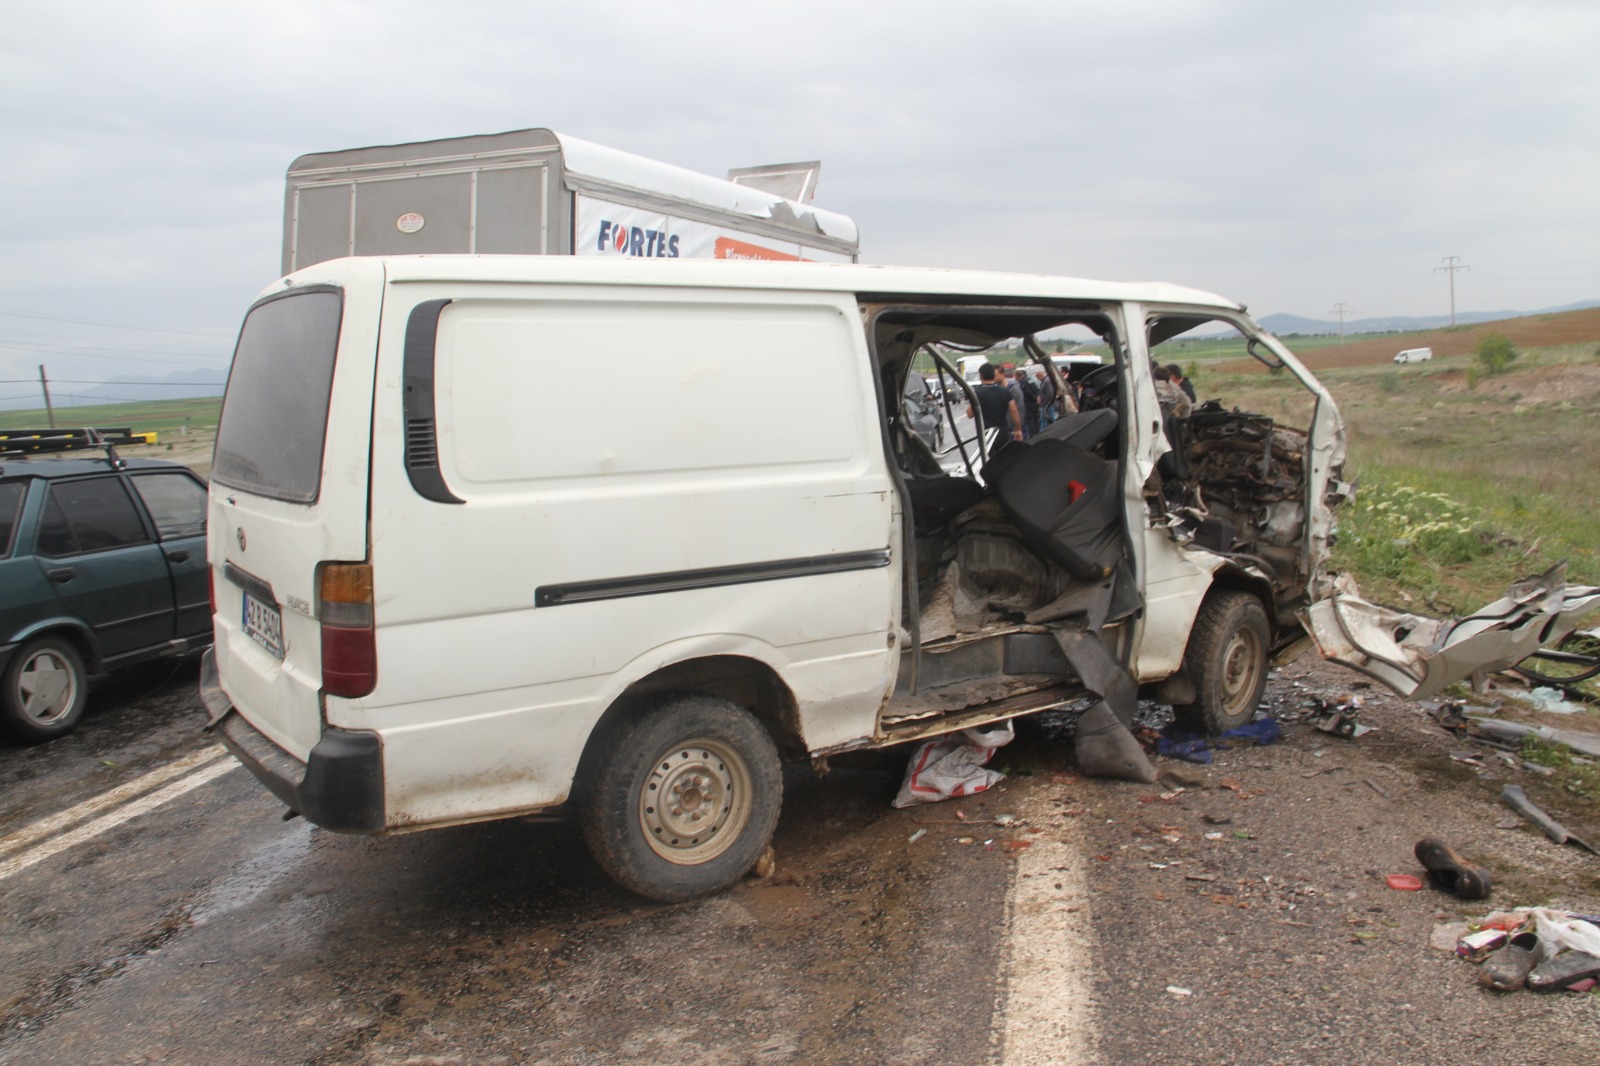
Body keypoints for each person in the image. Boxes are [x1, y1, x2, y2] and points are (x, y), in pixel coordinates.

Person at [967, 362, 1022, 453]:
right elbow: (1013, 410)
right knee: (1005, 460)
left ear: (981, 375)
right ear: (993, 375)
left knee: (991, 462)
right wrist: (1018, 429)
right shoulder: (1005, 391)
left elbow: (970, 414)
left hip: (987, 435)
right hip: (1003, 433)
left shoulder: (977, 393)